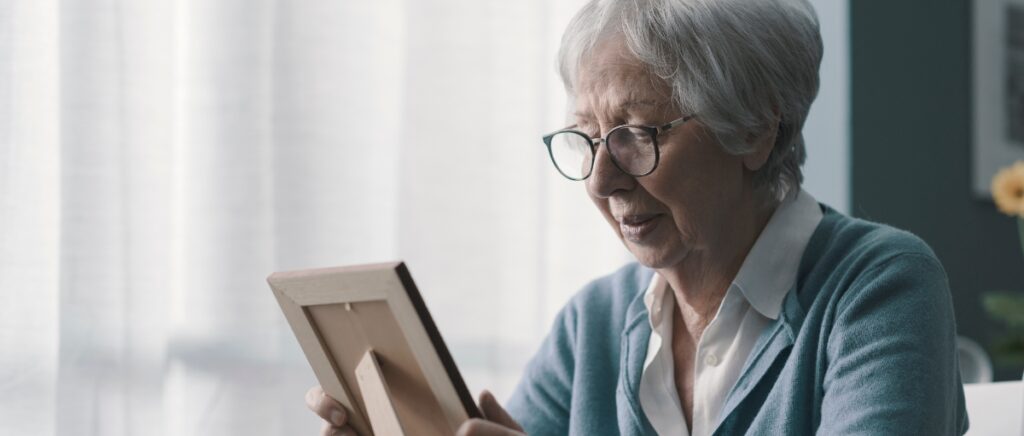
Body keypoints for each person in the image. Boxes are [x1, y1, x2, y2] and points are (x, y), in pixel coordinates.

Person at [306, 0, 970, 434]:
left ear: (756, 132)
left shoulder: (880, 286)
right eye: (587, 137)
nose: (601, 178)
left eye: (638, 133)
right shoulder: (592, 324)